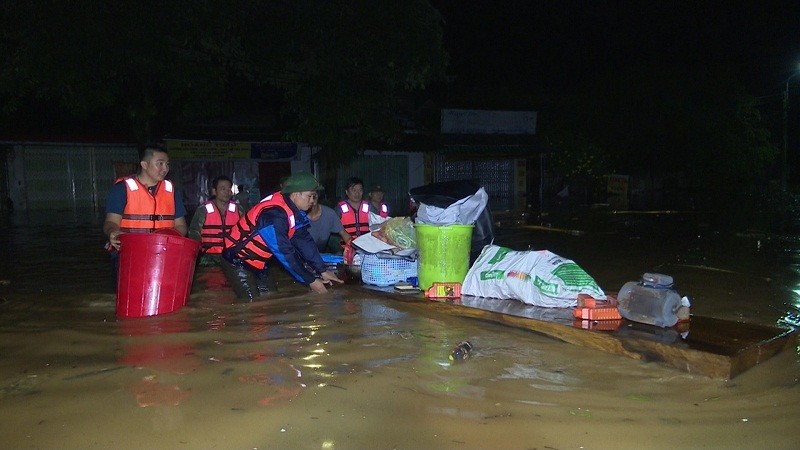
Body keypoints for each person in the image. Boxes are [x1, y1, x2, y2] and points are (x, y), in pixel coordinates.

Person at [221, 172, 343, 299]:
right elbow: (284, 252)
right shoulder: (274, 214)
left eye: (314, 196)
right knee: (252, 303)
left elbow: (303, 241)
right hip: (237, 260)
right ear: (296, 194)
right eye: (310, 196)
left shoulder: (294, 211)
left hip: (258, 262)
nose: (313, 201)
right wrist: (310, 280)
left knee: (272, 296)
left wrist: (322, 270)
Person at [102, 144, 188, 283]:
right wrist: (113, 232)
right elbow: (111, 222)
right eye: (160, 164)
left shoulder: (172, 191)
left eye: (167, 164)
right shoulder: (121, 189)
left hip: (162, 253)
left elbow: (181, 225)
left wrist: (167, 242)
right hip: (128, 253)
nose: (165, 169)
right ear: (144, 164)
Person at [188, 175, 244, 265]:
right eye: (223, 189)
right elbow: (194, 232)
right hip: (207, 259)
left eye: (229, 189)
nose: (227, 192)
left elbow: (246, 232)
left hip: (232, 257)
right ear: (214, 191)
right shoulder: (203, 210)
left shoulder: (239, 210)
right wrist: (196, 253)